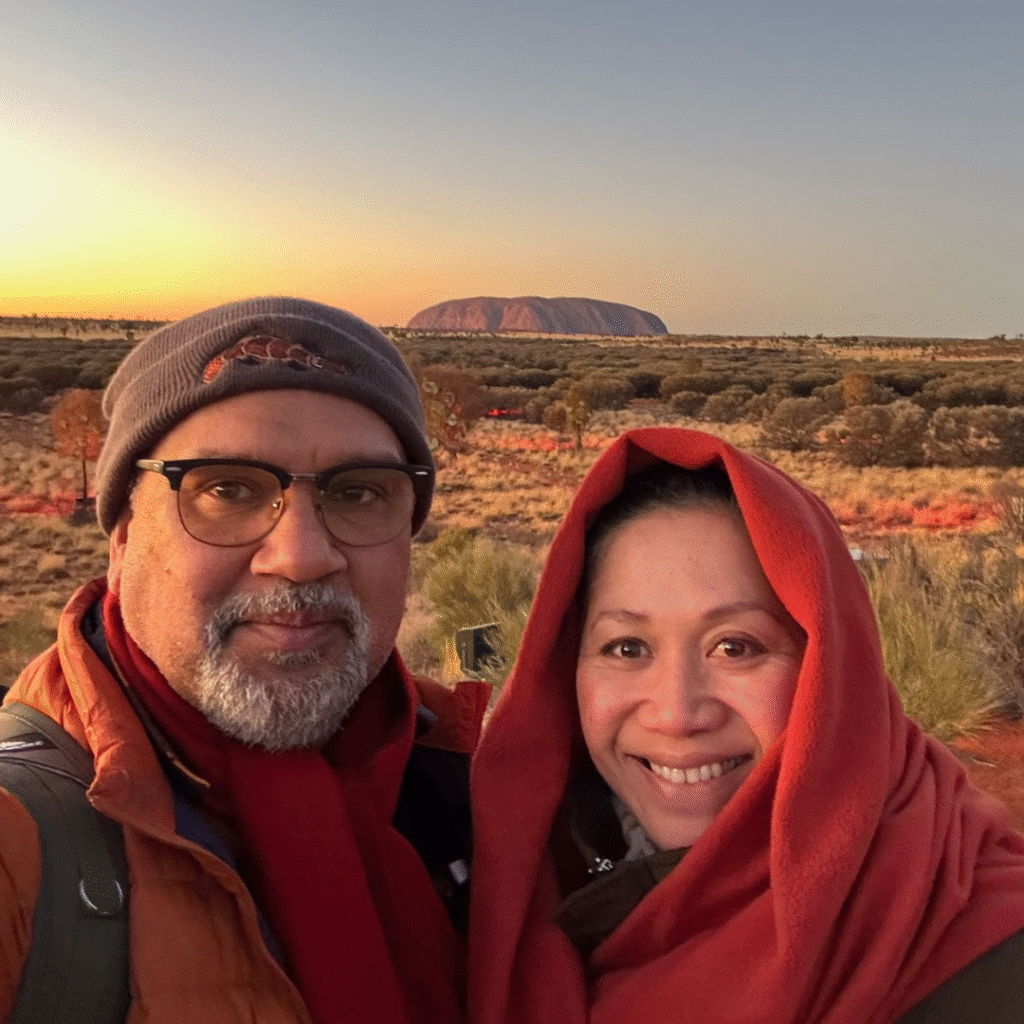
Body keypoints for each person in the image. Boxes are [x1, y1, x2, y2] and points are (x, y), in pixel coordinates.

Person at [0, 297, 489, 1024]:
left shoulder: (485, 783)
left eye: (358, 493)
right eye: (227, 489)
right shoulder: (22, 850)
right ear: (124, 536)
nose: (302, 558)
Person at [468, 427, 1024, 1024]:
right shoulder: (507, 897)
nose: (677, 714)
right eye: (627, 648)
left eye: (736, 647)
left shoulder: (987, 954)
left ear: (831, 668)